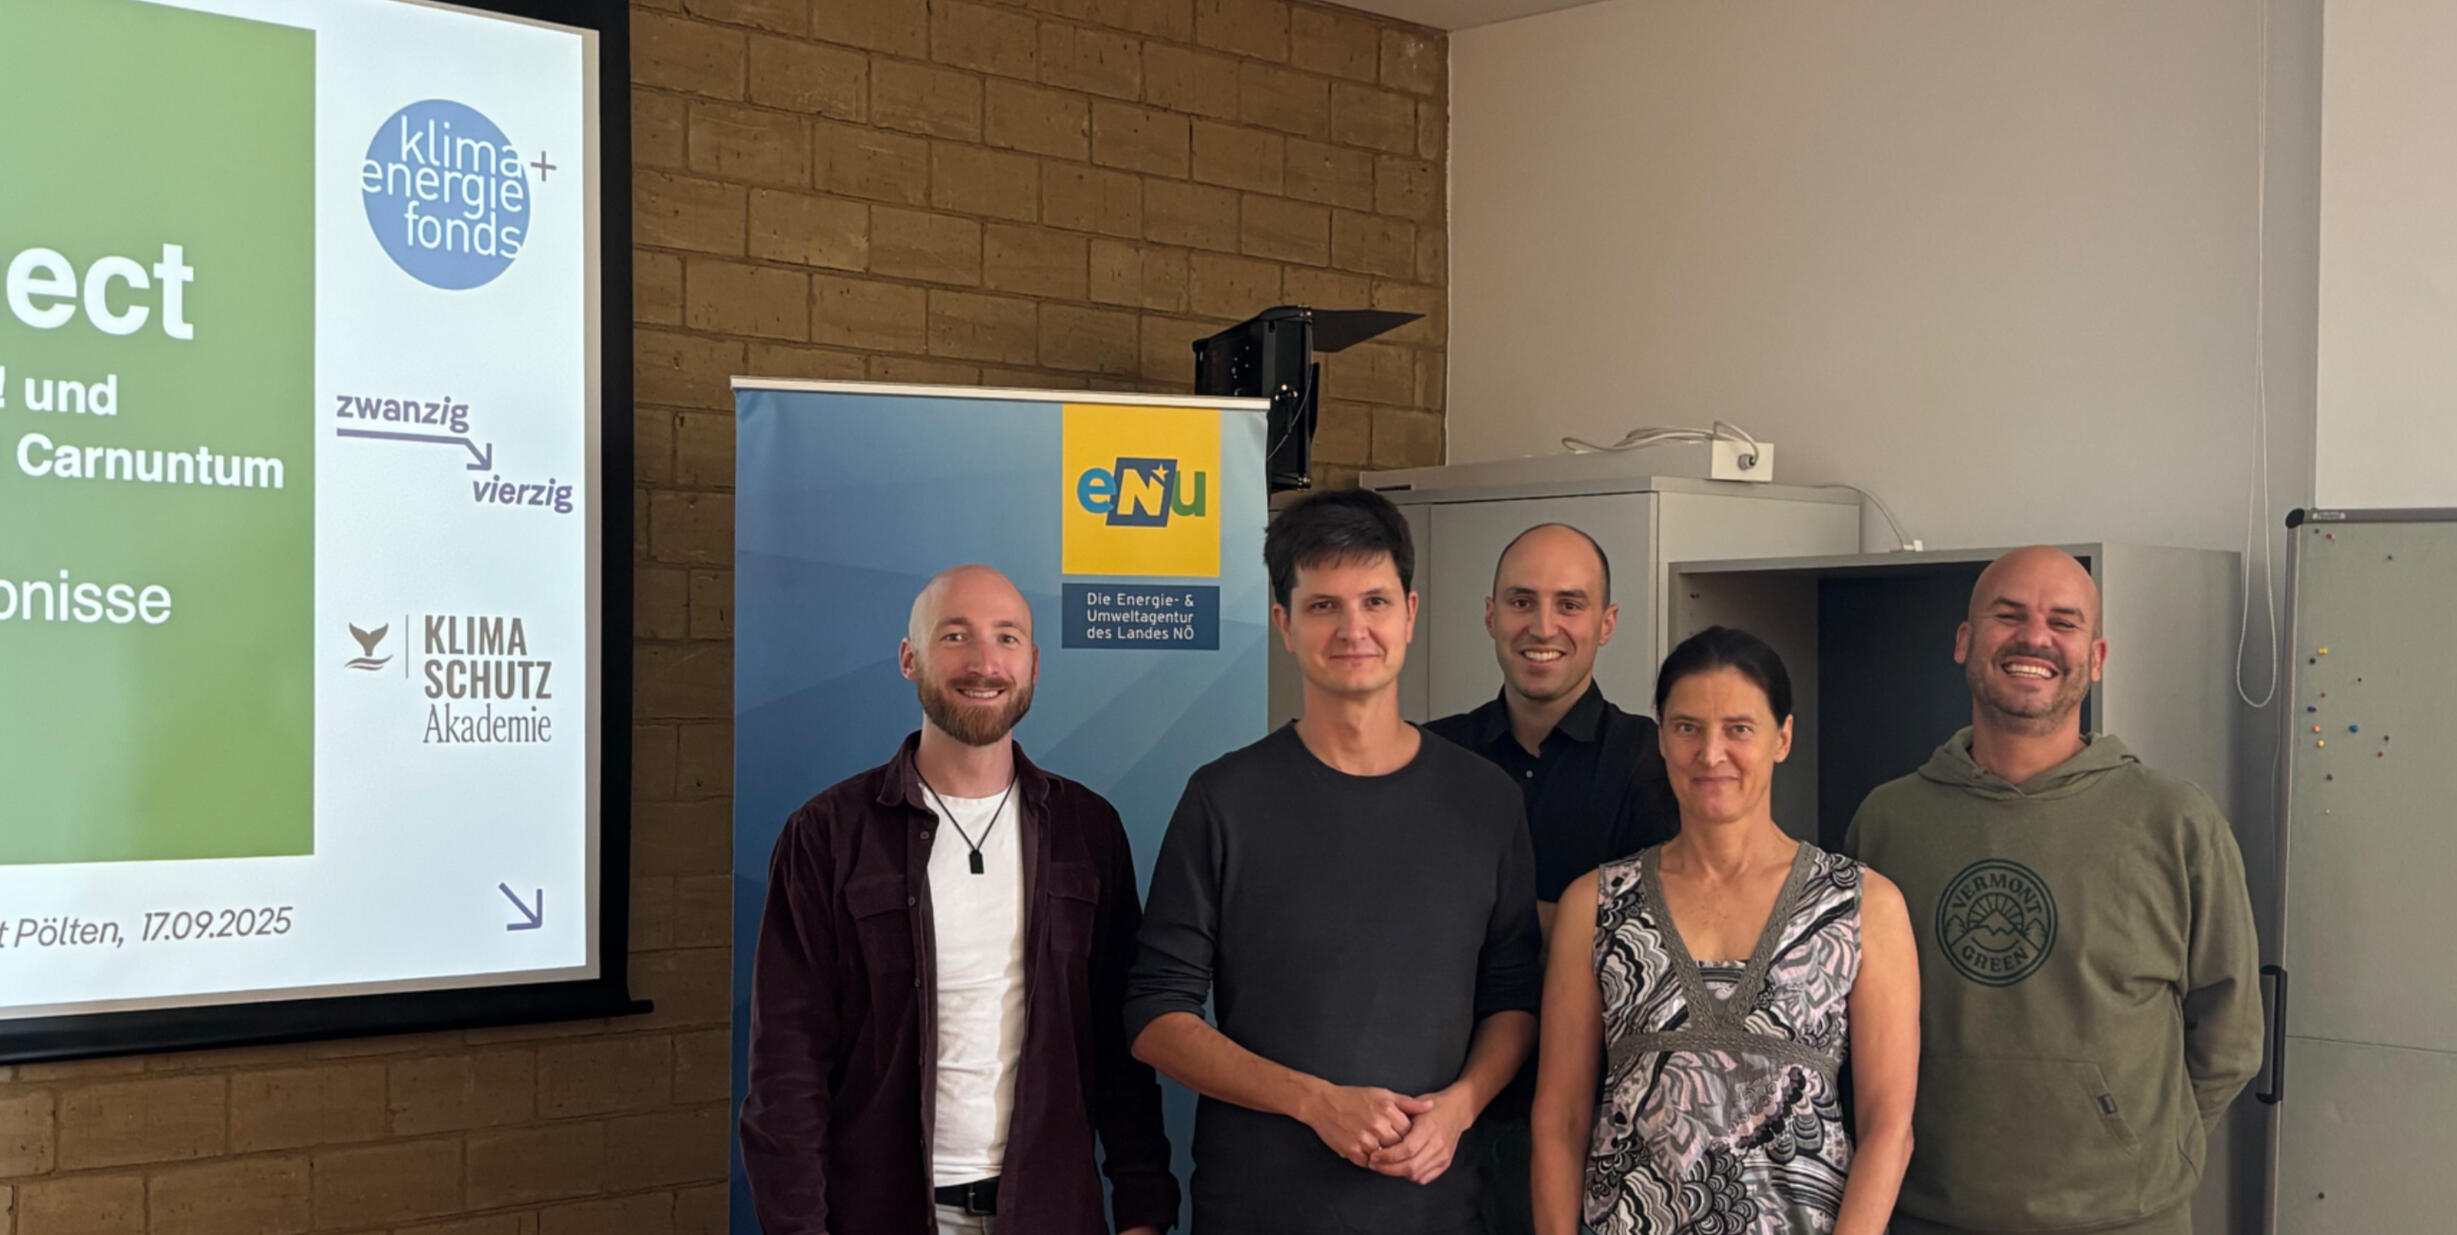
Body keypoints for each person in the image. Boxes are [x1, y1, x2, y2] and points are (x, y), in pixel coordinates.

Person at [1125, 488, 1544, 1235]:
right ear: (1284, 623)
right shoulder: (1224, 798)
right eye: (1323, 606)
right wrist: (1314, 1101)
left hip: (1436, 1213)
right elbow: (1156, 1013)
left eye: (1374, 602)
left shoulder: (1485, 801)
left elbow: (1512, 998)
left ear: (1409, 613)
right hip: (1258, 1213)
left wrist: (1460, 1106)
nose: (1354, 629)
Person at [740, 564, 1176, 1235]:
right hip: (880, 1214)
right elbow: (786, 1065)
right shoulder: (827, 834)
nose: (984, 662)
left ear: (1033, 664)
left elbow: (1118, 1042)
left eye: (1006, 638)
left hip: (1051, 1212)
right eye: (955, 636)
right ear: (908, 658)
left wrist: (1143, 1212)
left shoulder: (1087, 830)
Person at [1845, 546, 2263, 1235]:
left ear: (2095, 658)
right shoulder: (1888, 822)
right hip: (1925, 1212)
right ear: (1964, 641)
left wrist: (2145, 1149)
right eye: (2008, 615)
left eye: (2062, 623)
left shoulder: (2175, 821)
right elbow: (1848, 1026)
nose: (2034, 638)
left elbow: (2232, 1032)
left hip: (2128, 1220)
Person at [1532, 626, 1919, 1235]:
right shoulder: (1597, 903)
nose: (1711, 754)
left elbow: (1889, 1127)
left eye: (1739, 729)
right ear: (1662, 738)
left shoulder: (1861, 903)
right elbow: (1560, 1120)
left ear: (1782, 738)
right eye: (1687, 728)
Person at [1425, 522, 1677, 1235]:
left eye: (1569, 603)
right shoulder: (1430, 756)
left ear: (1607, 622)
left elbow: (1659, 943)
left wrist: (1487, 916)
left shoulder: (1656, 763)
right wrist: (1568, 918)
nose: (1542, 626)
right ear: (1489, 614)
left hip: (1599, 1130)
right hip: (1435, 1120)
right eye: (1520, 601)